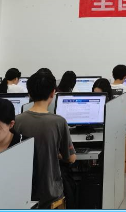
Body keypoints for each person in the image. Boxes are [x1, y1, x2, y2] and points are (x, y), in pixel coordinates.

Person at [14, 71, 76, 208]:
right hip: (51, 193)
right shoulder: (59, 122)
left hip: (24, 191)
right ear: (53, 93)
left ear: (29, 94)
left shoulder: (17, 121)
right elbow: (70, 158)